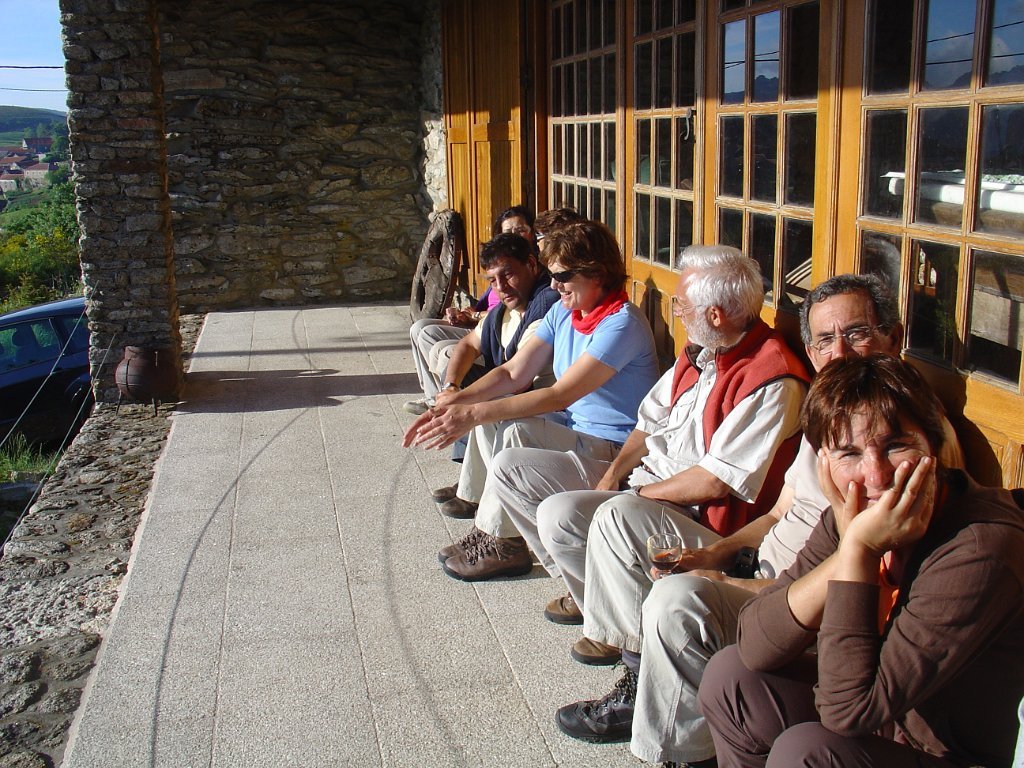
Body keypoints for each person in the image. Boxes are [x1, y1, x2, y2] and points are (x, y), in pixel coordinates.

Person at [554, 273, 965, 764]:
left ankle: (680, 750)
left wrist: (730, 581)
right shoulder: (832, 414)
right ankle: (640, 675)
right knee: (618, 520)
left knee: (677, 600)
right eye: (826, 340)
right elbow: (780, 511)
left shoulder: (911, 440)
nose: (840, 352)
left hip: (810, 603)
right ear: (812, 351)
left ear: (892, 339)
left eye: (856, 333)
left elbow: (872, 583)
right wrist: (716, 554)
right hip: (765, 570)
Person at [697, 355, 1024, 768]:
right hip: (887, 722)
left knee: (807, 753)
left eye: (896, 446)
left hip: (949, 753)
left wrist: (859, 551)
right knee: (732, 678)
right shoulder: (853, 515)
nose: (875, 476)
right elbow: (755, 645)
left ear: (934, 447)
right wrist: (850, 550)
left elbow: (848, 712)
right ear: (823, 464)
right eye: (848, 453)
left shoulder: (978, 548)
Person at [504, 246, 808, 664]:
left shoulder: (772, 379)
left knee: (613, 514)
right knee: (555, 509)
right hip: (651, 487)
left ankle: (635, 655)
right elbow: (648, 423)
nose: (676, 313)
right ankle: (602, 606)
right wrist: (613, 476)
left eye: (681, 305)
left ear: (715, 315)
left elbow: (714, 481)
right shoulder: (702, 351)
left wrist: (637, 496)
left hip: (705, 521)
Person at [403, 219, 660, 580]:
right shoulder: (565, 311)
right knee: (495, 418)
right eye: (552, 275)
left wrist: (472, 413)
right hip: (577, 430)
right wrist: (452, 401)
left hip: (615, 450)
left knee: (509, 429)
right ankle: (494, 530)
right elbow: (512, 373)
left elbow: (560, 394)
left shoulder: (622, 323)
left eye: (563, 275)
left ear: (597, 273)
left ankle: (509, 545)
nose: (554, 285)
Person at [404, 206, 536, 415]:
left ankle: (445, 407)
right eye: (493, 280)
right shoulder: (502, 279)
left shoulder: (539, 297)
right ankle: (438, 400)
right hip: (483, 327)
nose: (501, 286)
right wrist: (450, 387)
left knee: (445, 352)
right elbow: (475, 332)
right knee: (422, 329)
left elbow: (515, 376)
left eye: (520, 230)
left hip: (512, 371)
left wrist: (474, 316)